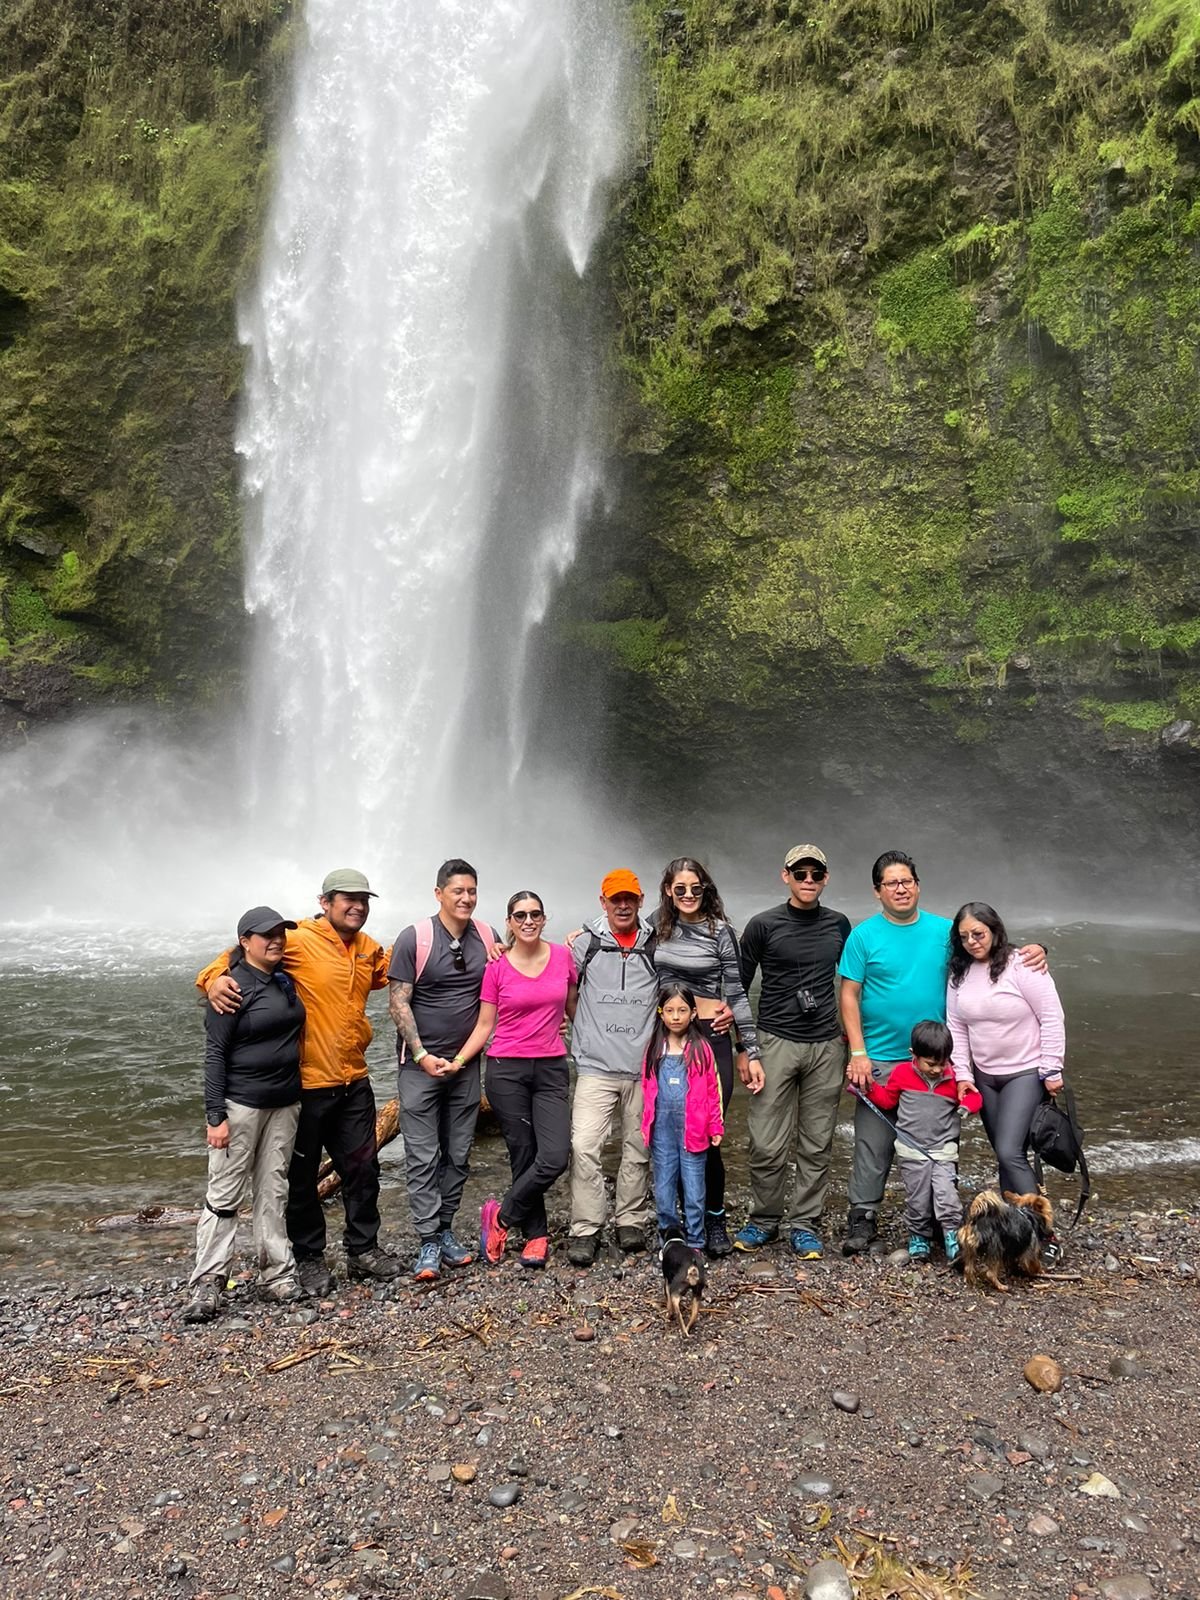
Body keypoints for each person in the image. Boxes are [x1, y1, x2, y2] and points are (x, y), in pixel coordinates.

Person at [197, 869, 401, 1296]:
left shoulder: (368, 949)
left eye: (364, 900)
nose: (358, 906)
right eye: (348, 898)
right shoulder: (299, 940)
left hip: (353, 1079)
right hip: (307, 1084)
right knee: (300, 1177)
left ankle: (364, 1249)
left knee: (364, 1170)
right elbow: (239, 955)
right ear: (325, 902)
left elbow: (402, 966)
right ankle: (308, 1258)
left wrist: (491, 944)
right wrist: (214, 980)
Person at [839, 851, 1047, 1255]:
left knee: (938, 1141)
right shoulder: (863, 936)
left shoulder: (942, 931)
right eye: (890, 883)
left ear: (917, 885)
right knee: (873, 1142)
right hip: (880, 1057)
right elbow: (849, 994)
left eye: (906, 881)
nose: (900, 888)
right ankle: (862, 1217)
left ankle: (937, 1218)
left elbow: (986, 948)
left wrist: (1032, 949)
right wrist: (858, 1052)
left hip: (935, 1064)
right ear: (877, 891)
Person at [184, 907, 306, 1322]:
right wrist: (215, 1115)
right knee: (224, 1195)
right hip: (241, 1105)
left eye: (279, 934)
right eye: (265, 935)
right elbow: (214, 1055)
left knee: (273, 1190)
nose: (275, 940)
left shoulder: (285, 979)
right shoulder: (232, 987)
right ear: (244, 942)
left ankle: (277, 1275)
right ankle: (208, 1282)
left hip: (285, 1103)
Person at [736, 844, 851, 1260]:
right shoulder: (762, 925)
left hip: (826, 1044)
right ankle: (764, 1219)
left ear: (825, 878)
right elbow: (738, 988)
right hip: (774, 1041)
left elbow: (856, 984)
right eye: (799, 873)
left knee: (817, 1142)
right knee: (766, 1141)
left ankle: (805, 1223)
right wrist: (744, 1048)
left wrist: (857, 1047)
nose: (807, 881)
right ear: (785, 876)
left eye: (815, 874)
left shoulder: (839, 925)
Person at [387, 859, 499, 1281]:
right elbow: (398, 1003)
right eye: (457, 891)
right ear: (439, 894)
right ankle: (428, 1240)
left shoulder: (487, 936)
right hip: (420, 1067)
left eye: (472, 891)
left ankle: (447, 1229)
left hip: (465, 1064)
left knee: (457, 1153)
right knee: (421, 1155)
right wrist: (420, 1054)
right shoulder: (413, 938)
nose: (466, 898)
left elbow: (508, 983)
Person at [458, 891, 578, 1268]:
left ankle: (501, 1217)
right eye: (520, 915)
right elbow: (484, 1024)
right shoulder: (496, 966)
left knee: (556, 1155)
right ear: (509, 922)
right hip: (506, 1069)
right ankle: (536, 1237)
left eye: (535, 914)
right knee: (523, 1154)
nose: (528, 921)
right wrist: (459, 1060)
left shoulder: (563, 957)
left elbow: (575, 1009)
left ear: (544, 919)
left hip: (551, 1066)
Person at [652, 857, 762, 1258]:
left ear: (705, 889)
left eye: (695, 888)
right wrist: (581, 932)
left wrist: (748, 1048)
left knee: (706, 1134)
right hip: (667, 1040)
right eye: (679, 889)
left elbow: (736, 993)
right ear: (668, 891)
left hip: (710, 1040)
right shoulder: (657, 926)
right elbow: (618, 933)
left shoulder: (720, 932)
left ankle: (714, 1218)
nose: (687, 896)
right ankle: (677, 1221)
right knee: (668, 1133)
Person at [565, 869, 657, 1267]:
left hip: (642, 1066)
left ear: (640, 901)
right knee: (584, 1146)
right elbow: (561, 989)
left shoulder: (659, 944)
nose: (623, 905)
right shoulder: (582, 945)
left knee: (638, 1147)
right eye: (615, 899)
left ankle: (630, 1220)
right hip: (596, 1067)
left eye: (630, 899)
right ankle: (586, 1227)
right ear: (602, 902)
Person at [946, 901, 1066, 1197]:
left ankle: (1044, 1233)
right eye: (964, 937)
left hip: (1024, 1072)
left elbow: (1051, 1016)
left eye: (978, 934)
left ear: (994, 930)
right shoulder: (959, 973)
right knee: (1005, 1157)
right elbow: (956, 1028)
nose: (972, 942)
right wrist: (964, 1075)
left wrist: (1052, 1068)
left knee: (1009, 1151)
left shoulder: (1022, 964)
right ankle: (1015, 1231)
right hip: (985, 1076)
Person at [864, 1020, 982, 1264]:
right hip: (911, 1151)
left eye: (942, 1063)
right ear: (913, 1055)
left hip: (943, 1152)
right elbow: (887, 1101)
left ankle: (952, 1236)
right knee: (917, 1198)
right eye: (931, 1064)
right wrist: (866, 1087)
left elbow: (975, 1097)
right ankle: (919, 1237)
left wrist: (965, 1107)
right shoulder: (902, 1074)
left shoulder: (953, 1079)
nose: (938, 1070)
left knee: (946, 1195)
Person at [640, 985, 724, 1252]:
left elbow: (713, 1090)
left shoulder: (701, 1049)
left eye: (682, 1011)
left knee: (694, 1188)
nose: (676, 1017)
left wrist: (715, 1125)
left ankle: (697, 1239)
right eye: (670, 1011)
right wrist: (647, 1125)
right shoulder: (654, 1048)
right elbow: (647, 1089)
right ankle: (669, 1236)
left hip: (695, 1130)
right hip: (662, 1130)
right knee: (663, 1186)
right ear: (660, 1013)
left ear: (694, 1013)